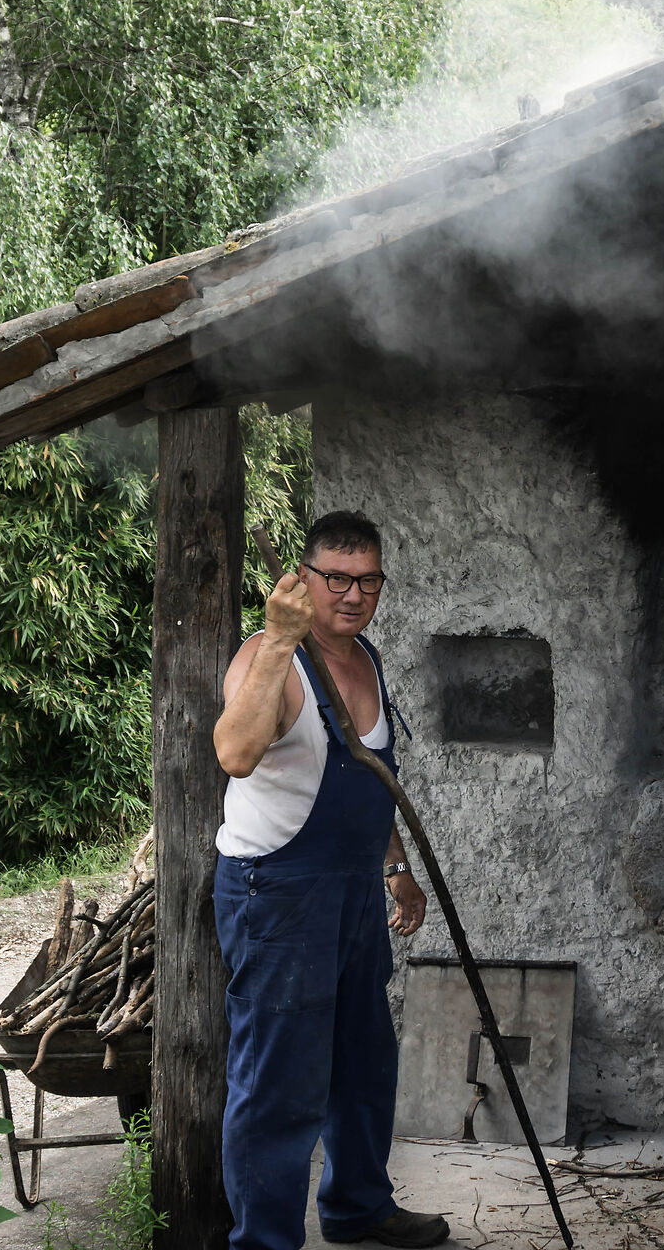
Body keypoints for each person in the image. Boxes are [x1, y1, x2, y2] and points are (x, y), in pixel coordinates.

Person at [212, 511, 450, 1250]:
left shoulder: (366, 657)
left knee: (363, 1063)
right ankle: (264, 1242)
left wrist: (396, 869)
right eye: (336, 579)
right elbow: (235, 752)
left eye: (367, 580)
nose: (352, 595)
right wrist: (280, 638)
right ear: (304, 580)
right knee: (279, 1083)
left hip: (350, 891)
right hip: (277, 893)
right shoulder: (268, 658)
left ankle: (357, 1206)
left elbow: (368, 778)